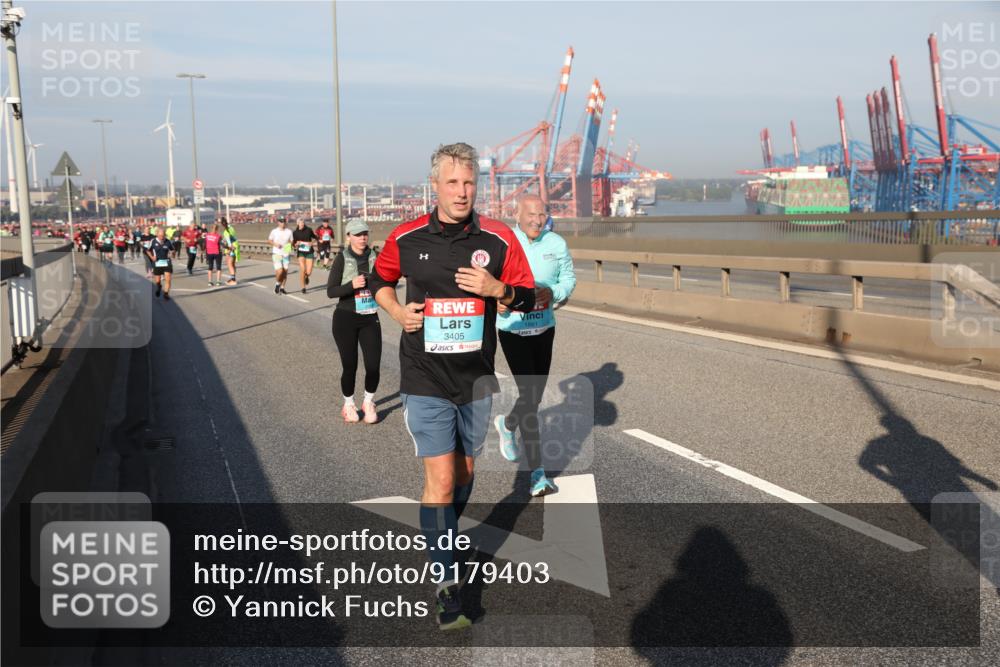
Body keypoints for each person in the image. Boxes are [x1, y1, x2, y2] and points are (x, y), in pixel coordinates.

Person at [368, 142, 535, 630]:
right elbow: (378, 280)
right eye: (452, 183)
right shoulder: (407, 236)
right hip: (424, 374)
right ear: (435, 186)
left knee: (463, 474)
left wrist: (499, 290)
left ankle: (443, 536)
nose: (462, 192)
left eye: (469, 183)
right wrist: (397, 311)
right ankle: (446, 586)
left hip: (476, 377)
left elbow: (532, 297)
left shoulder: (499, 239)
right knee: (440, 480)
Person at [494, 194, 576, 497]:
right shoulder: (503, 242)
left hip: (544, 328)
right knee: (529, 395)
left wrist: (554, 292)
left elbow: (568, 279)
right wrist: (496, 301)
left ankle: (507, 424)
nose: (537, 220)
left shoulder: (556, 243)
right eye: (530, 214)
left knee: (534, 397)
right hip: (513, 330)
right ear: (516, 214)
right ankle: (537, 473)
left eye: (542, 214)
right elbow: (488, 281)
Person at [326, 219, 381, 424]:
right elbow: (331, 291)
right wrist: (352, 285)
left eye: (365, 233)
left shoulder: (375, 256)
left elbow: (388, 280)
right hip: (345, 318)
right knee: (350, 366)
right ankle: (348, 404)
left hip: (370, 317)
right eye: (357, 234)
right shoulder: (342, 258)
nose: (362, 238)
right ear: (348, 236)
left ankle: (368, 402)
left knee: (373, 365)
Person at [145, 227, 175, 300]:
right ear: (157, 234)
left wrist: (172, 254)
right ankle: (159, 287)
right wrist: (152, 257)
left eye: (163, 235)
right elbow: (148, 250)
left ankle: (166, 294)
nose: (162, 237)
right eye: (160, 235)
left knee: (168, 279)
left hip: (166, 262)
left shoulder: (168, 241)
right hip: (157, 263)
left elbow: (173, 250)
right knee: (158, 281)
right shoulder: (153, 241)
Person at [268, 217, 294, 294]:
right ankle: (277, 284)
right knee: (280, 271)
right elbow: (269, 240)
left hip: (286, 253)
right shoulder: (274, 231)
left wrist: (289, 246)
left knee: (285, 272)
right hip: (276, 253)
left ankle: (282, 288)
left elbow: (292, 241)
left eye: (284, 221)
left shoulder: (289, 231)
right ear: (278, 222)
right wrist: (276, 244)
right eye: (281, 221)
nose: (283, 223)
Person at [292, 218, 318, 294]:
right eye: (300, 222)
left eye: (303, 222)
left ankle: (306, 276)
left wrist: (311, 243)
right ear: (297, 223)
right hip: (301, 253)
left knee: (309, 272)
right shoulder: (295, 233)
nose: (302, 224)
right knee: (303, 269)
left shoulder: (309, 230)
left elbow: (316, 238)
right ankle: (303, 287)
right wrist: (296, 244)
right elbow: (293, 244)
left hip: (309, 252)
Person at [221, 218, 240, 285]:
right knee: (233, 264)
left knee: (229, 264)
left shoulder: (226, 232)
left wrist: (229, 249)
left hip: (232, 248)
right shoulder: (231, 228)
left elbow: (229, 243)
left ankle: (233, 280)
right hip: (236, 246)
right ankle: (233, 278)